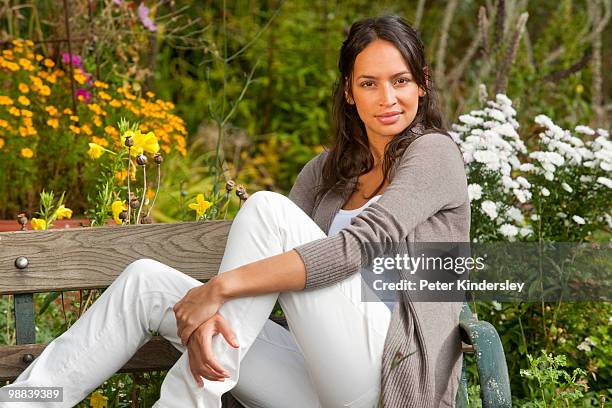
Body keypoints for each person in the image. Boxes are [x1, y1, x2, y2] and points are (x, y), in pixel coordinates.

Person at [1, 15, 469, 408]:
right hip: (317, 380)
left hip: (389, 380)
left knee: (267, 209)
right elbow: (276, 277)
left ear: (423, 84)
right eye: (369, 83)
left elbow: (354, 248)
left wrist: (217, 290)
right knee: (145, 282)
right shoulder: (324, 173)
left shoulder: (435, 153)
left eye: (401, 80)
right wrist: (210, 316)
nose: (387, 98)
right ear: (349, 92)